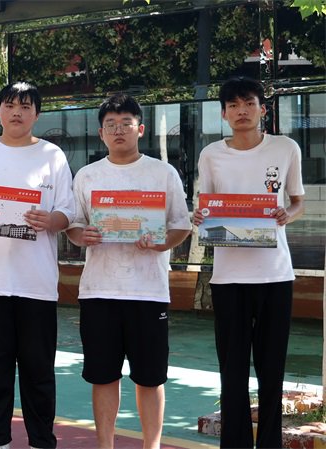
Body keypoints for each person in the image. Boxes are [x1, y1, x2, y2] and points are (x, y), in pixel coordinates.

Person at [65, 94, 191, 449]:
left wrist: (161, 244)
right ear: (101, 133)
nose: (118, 130)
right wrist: (82, 235)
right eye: (111, 125)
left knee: (150, 378)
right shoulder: (87, 175)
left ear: (141, 129)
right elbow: (74, 225)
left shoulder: (163, 173)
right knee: (103, 376)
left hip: (148, 291)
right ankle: (106, 445)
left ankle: (151, 445)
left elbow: (181, 226)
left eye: (126, 123)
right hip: (99, 291)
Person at [0, 82, 75, 449]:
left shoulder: (52, 156)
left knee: (39, 369)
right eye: (10, 105)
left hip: (36, 282)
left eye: (25, 106)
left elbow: (67, 212)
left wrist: (50, 220)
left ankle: (42, 441)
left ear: (37, 114)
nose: (17, 112)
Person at [193, 76, 305, 449]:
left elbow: (297, 201)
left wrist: (288, 214)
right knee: (233, 372)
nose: (242, 111)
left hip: (275, 275)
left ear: (262, 109)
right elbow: (206, 207)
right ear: (224, 114)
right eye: (234, 105)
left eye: (249, 103)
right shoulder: (211, 154)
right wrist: (199, 217)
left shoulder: (286, 148)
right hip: (228, 278)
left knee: (272, 371)